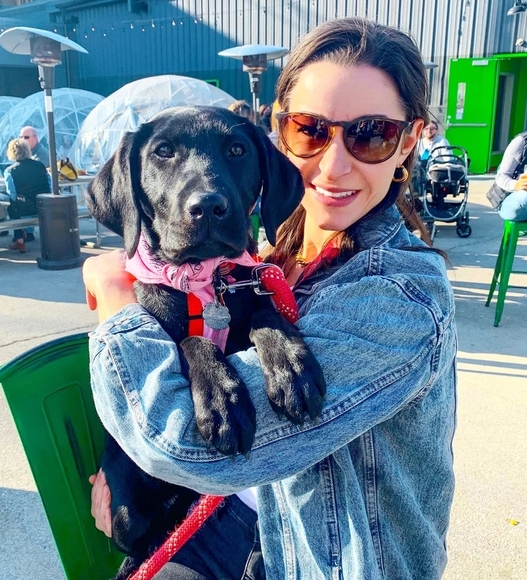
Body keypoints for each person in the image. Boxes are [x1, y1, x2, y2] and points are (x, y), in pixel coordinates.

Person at [84, 17, 457, 580]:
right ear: (281, 134)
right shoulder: (269, 258)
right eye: (311, 130)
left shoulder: (400, 299)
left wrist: (117, 304)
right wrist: (121, 457)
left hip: (314, 557)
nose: (334, 164)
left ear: (409, 141)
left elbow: (182, 443)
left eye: (371, 134)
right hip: (235, 515)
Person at [493, 99, 527, 295]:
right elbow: (501, 177)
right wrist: (516, 185)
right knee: (526, 197)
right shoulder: (523, 142)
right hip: (515, 202)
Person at [3, 138, 51, 253]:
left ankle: (19, 239)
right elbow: (50, 186)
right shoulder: (40, 166)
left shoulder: (10, 171)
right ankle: (30, 234)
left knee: (13, 207)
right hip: (42, 206)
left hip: (24, 210)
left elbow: (12, 194)